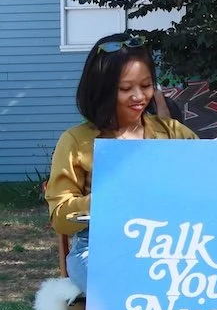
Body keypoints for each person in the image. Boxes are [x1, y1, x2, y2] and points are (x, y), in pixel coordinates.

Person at [45, 32, 197, 292]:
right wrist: (108, 197)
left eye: (147, 85)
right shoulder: (75, 141)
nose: (139, 96)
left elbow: (212, 178)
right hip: (97, 248)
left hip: (171, 243)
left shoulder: (174, 133)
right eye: (126, 89)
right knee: (132, 284)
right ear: (102, 90)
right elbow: (60, 218)